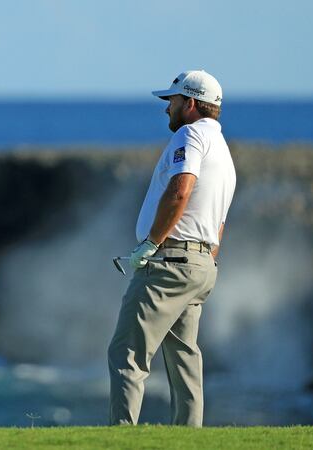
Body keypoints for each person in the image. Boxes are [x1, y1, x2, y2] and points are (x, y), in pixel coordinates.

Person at [107, 70, 236, 427]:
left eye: (173, 101)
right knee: (184, 358)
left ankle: (119, 436)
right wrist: (205, 260)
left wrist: (151, 244)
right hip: (202, 265)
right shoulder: (223, 149)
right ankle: (189, 435)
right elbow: (219, 219)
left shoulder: (190, 134)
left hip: (170, 263)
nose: (168, 109)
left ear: (191, 103)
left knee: (127, 353)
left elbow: (181, 189)